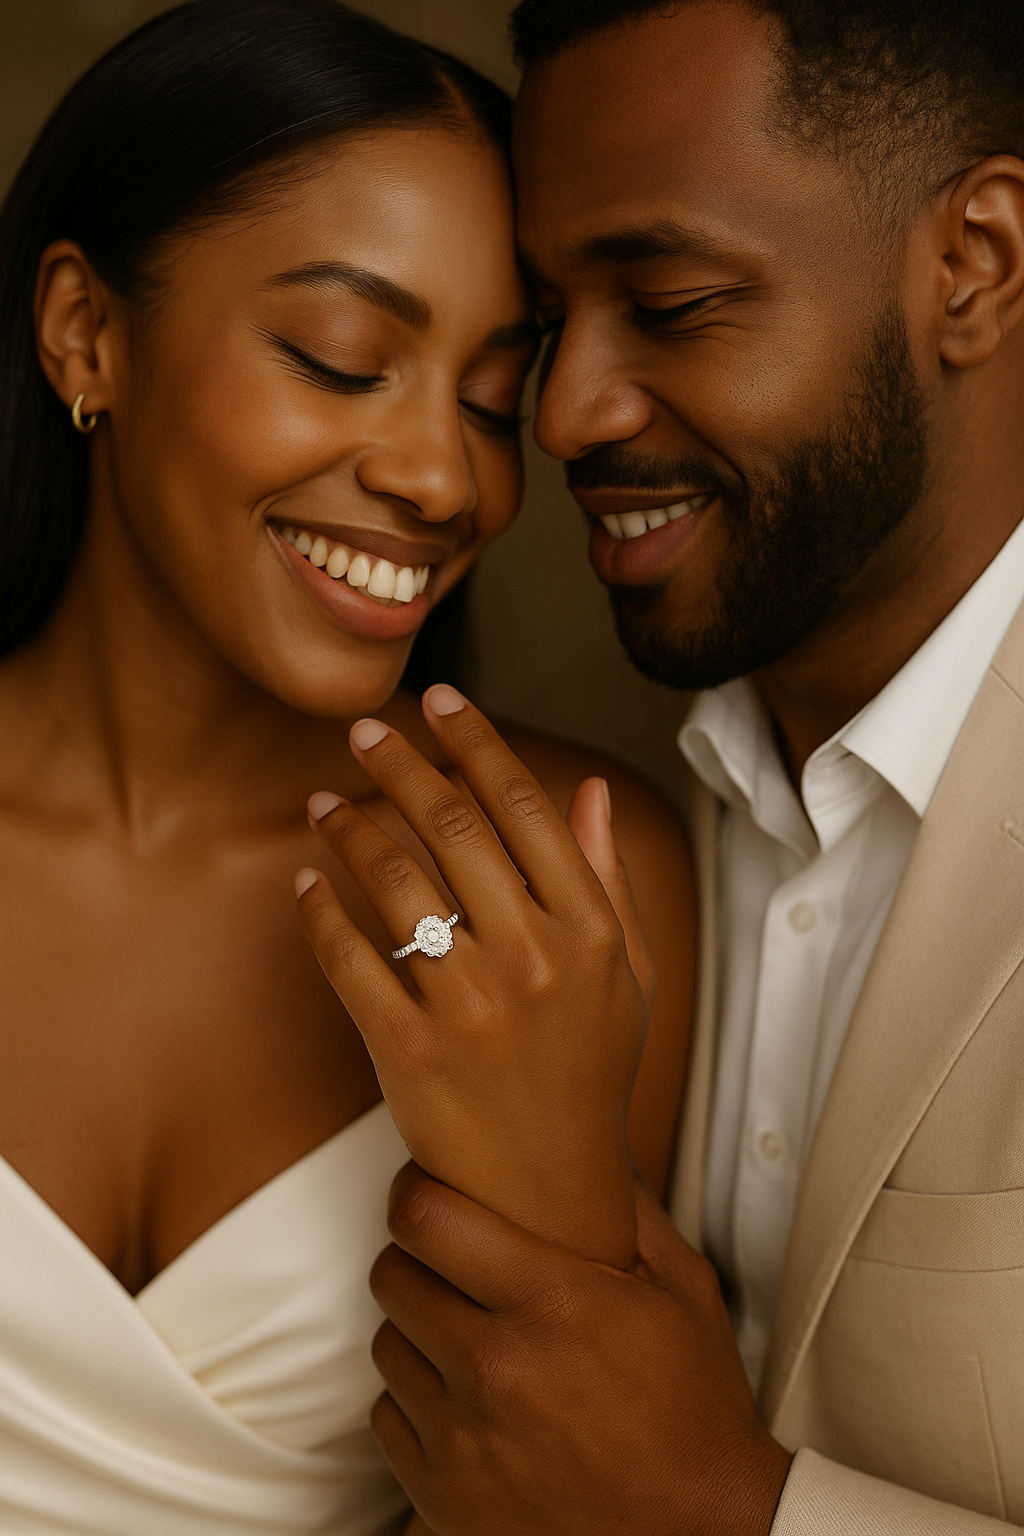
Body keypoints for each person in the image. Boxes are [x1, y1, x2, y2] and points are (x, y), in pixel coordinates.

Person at [307, 0, 1024, 1532]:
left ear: (976, 263)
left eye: (676, 300)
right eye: (552, 323)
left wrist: (721, 1508)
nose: (565, 415)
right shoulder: (583, 779)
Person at [0, 2, 696, 1531]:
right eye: (343, 357)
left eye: (491, 398)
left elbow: (600, 1490)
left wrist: (552, 1162)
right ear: (84, 332)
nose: (447, 477)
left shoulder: (577, 881)